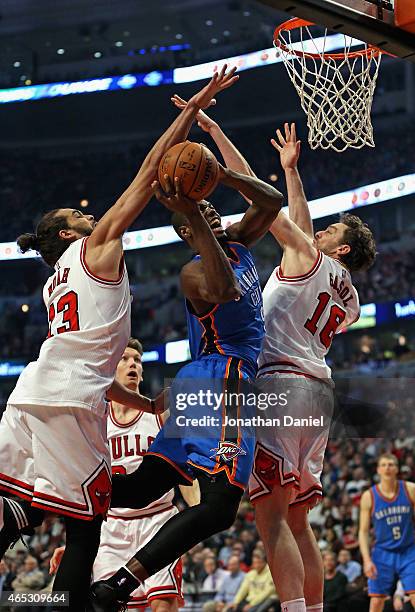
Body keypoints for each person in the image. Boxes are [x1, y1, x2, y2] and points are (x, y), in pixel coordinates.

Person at [0, 65, 238, 612]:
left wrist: (136, 399)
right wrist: (190, 109)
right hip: (67, 398)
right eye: (77, 216)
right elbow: (149, 170)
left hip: (31, 393)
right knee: (86, 527)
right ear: (67, 235)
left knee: (19, 511)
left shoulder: (54, 281)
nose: (90, 214)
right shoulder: (96, 248)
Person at [167, 109, 375, 612]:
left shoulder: (308, 255)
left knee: (271, 517)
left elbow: (264, 203)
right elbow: (297, 219)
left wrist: (220, 150)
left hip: (280, 384)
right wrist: (291, 170)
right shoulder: (351, 300)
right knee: (298, 520)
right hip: (318, 393)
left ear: (339, 246)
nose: (318, 230)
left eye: (329, 231)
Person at [88, 98, 284, 610]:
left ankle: (47, 502)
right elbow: (222, 291)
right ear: (185, 229)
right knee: (219, 508)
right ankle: (117, 585)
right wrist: (195, 211)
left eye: (215, 208)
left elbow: (271, 202)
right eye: (204, 211)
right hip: (225, 383)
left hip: (202, 383)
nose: (215, 211)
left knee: (141, 487)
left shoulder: (238, 239)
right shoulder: (194, 271)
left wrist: (222, 177)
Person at [50, 337, 201, 612]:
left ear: (142, 372)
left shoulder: (162, 414)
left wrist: (197, 515)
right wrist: (73, 545)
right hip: (111, 528)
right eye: (125, 359)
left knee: (163, 604)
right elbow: (86, 483)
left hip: (157, 521)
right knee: (110, 604)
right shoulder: (97, 420)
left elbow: (184, 471)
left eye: (137, 360)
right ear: (111, 369)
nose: (132, 364)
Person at [359, 453, 415, 611]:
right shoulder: (369, 496)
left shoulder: (410, 490)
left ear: (397, 469)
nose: (387, 468)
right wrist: (367, 560)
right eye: (383, 465)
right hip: (382, 553)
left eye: (391, 464)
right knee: (376, 601)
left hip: (409, 550)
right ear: (378, 470)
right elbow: (363, 532)